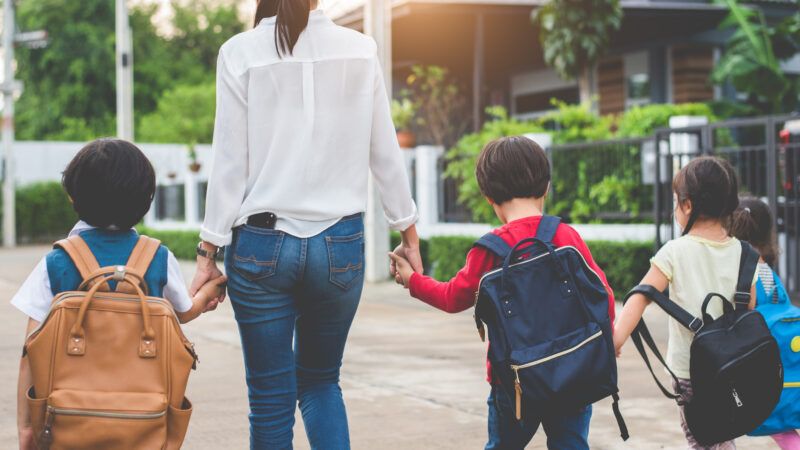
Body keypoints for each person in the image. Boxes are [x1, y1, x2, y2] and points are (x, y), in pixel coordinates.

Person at [190, 0, 420, 448]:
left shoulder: (240, 52)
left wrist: (207, 252)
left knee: (271, 400)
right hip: (340, 244)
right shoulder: (360, 49)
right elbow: (385, 152)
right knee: (321, 382)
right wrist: (407, 232)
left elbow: (229, 164)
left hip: (261, 245)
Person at [390, 136, 615, 449]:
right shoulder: (565, 235)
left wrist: (413, 279)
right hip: (572, 372)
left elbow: (452, 297)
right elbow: (603, 294)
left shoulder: (490, 250)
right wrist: (606, 341)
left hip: (514, 383)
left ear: (488, 196)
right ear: (546, 186)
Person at [13, 139, 226, 450]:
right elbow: (183, 312)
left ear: (73, 197)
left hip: (68, 422)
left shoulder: (56, 262)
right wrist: (207, 292)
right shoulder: (158, 258)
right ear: (147, 201)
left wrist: (26, 429)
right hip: (144, 423)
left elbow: (30, 352)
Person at [613, 156, 757, 450]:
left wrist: (616, 339)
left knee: (702, 438)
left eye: (676, 202)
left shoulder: (674, 252)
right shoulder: (745, 254)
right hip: (733, 366)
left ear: (688, 206)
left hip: (690, 371)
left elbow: (641, 296)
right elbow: (749, 311)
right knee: (721, 432)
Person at [730, 197, 800, 450]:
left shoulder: (741, 270)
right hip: (782, 371)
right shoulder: (768, 271)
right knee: (783, 430)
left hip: (756, 374)